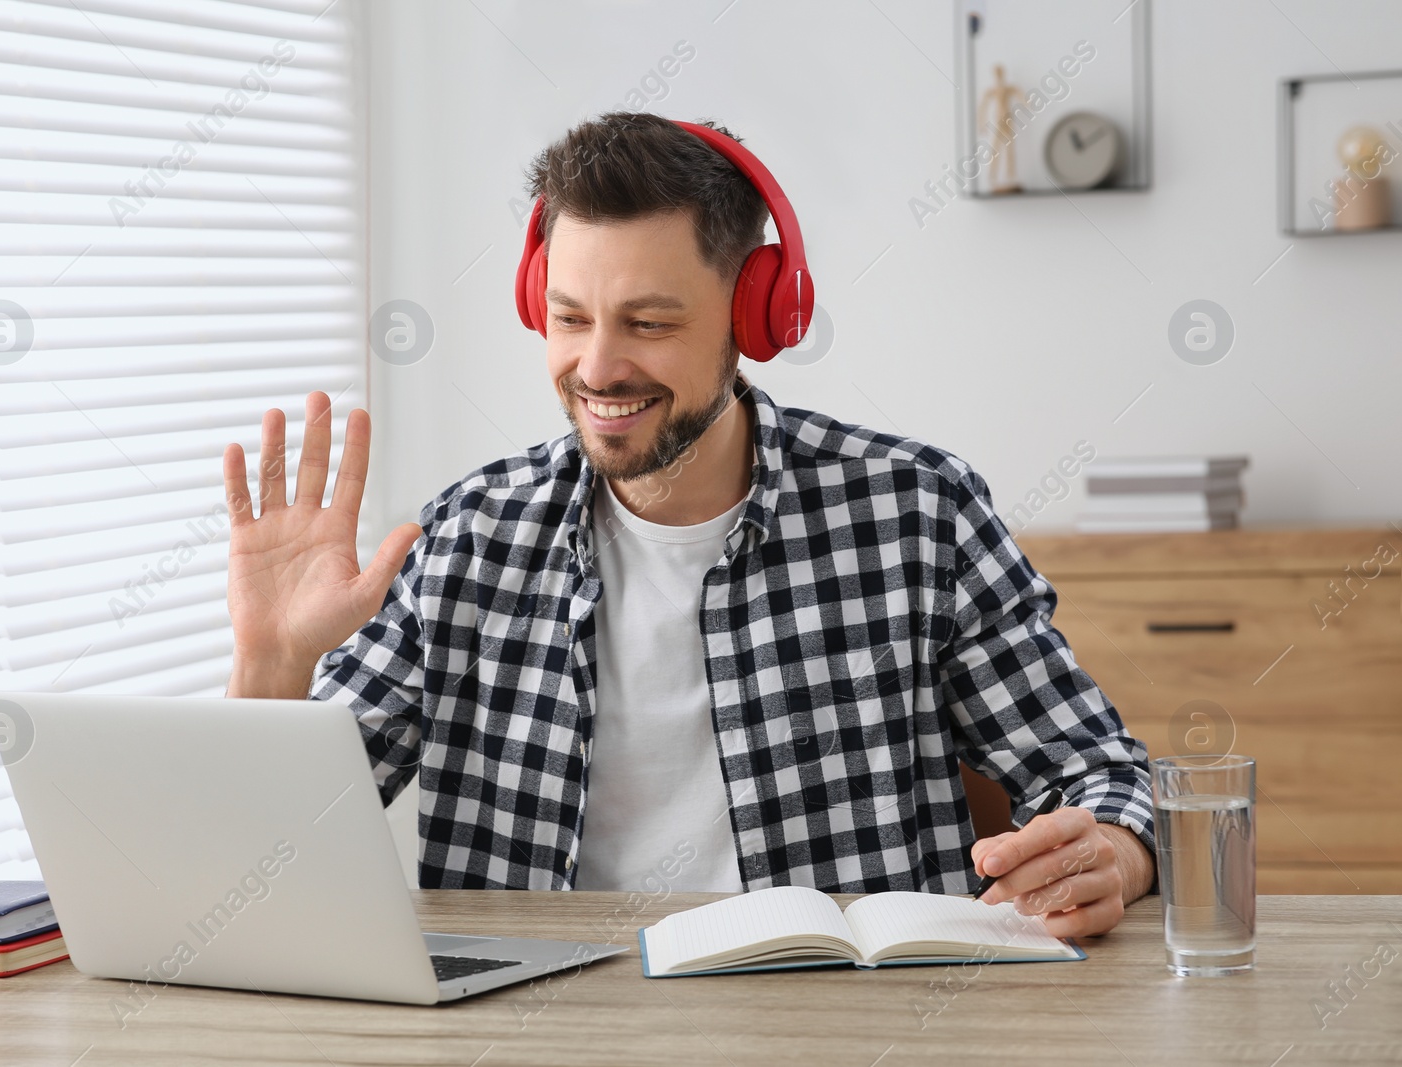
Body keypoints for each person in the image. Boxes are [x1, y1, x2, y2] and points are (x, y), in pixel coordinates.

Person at [221, 112, 1155, 938]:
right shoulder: (467, 540)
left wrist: (1110, 850)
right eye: (570, 317)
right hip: (531, 1032)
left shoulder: (916, 511)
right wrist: (272, 664)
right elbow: (269, 861)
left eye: (649, 323)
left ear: (756, 314)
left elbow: (1100, 770)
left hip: (842, 1031)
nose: (598, 366)